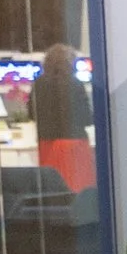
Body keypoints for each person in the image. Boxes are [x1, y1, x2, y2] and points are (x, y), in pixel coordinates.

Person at [31, 41, 96, 195]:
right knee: (77, 188)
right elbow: (86, 117)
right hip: (73, 143)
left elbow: (31, 113)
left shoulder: (39, 84)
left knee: (52, 189)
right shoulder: (75, 84)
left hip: (46, 143)